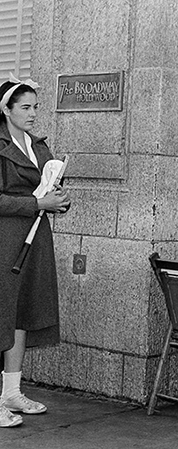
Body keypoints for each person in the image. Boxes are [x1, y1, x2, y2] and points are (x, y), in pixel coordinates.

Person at [0, 76, 71, 428]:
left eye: (35, 107)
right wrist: (36, 202)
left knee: (21, 312)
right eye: (25, 107)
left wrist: (58, 201)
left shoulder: (38, 145)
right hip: (5, 239)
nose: (32, 114)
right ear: (6, 110)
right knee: (1, 313)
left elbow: (47, 188)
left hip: (35, 237)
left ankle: (11, 391)